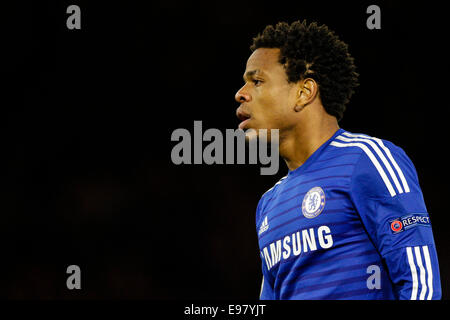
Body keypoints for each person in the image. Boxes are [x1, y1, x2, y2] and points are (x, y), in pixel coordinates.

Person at [235, 20, 441, 300]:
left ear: (304, 92)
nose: (240, 94)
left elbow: (420, 284)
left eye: (257, 81)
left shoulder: (367, 159)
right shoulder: (268, 205)